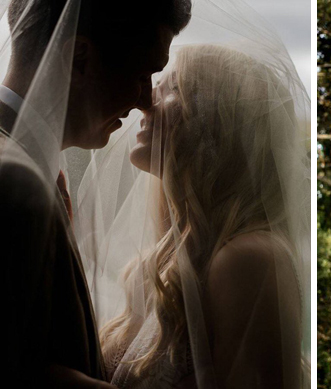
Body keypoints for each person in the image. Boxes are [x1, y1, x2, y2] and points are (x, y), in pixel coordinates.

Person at [87, 43, 307, 388]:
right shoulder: (164, 261)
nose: (145, 101)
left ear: (221, 120)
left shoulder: (251, 259)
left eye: (174, 87)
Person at [0, 0, 190, 387]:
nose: (147, 100)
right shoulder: (13, 182)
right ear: (79, 58)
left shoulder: (35, 170)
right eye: (143, 73)